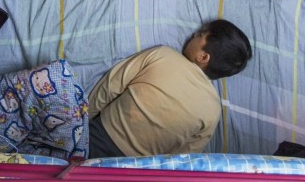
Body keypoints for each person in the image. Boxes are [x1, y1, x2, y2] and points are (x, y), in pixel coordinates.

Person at [86, 19, 252, 157]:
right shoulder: (213, 110)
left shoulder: (163, 55)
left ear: (203, 57)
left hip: (99, 135)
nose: (194, 34)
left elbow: (111, 84)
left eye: (200, 35)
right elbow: (185, 156)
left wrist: (84, 118)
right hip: (137, 167)